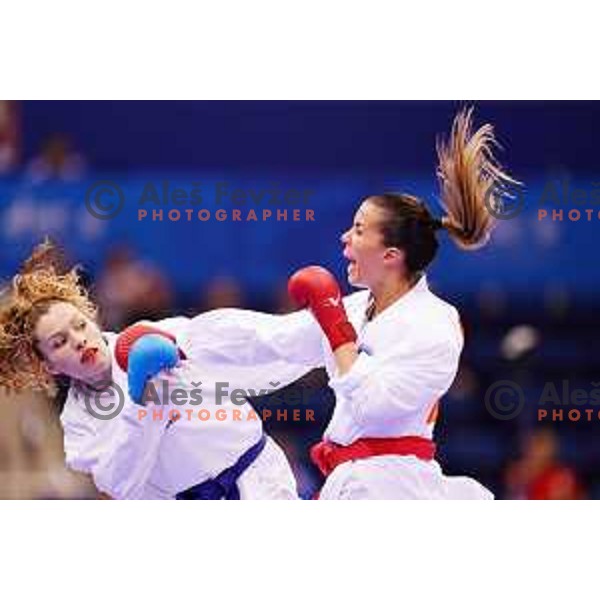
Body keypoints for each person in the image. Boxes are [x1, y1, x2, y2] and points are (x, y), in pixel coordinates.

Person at [210, 108, 517, 499]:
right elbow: (269, 338)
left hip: (394, 488)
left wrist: (337, 331)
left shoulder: (435, 323)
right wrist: (179, 338)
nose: (344, 238)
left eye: (357, 229)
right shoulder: (356, 310)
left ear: (390, 255)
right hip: (350, 481)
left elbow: (377, 406)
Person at [0, 241, 309, 500]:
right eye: (59, 342)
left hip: (261, 478)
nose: (79, 341)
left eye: (80, 325)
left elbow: (253, 339)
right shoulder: (79, 424)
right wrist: (142, 399)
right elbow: (121, 484)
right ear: (48, 366)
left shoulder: (153, 336)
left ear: (93, 318)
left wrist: (331, 321)